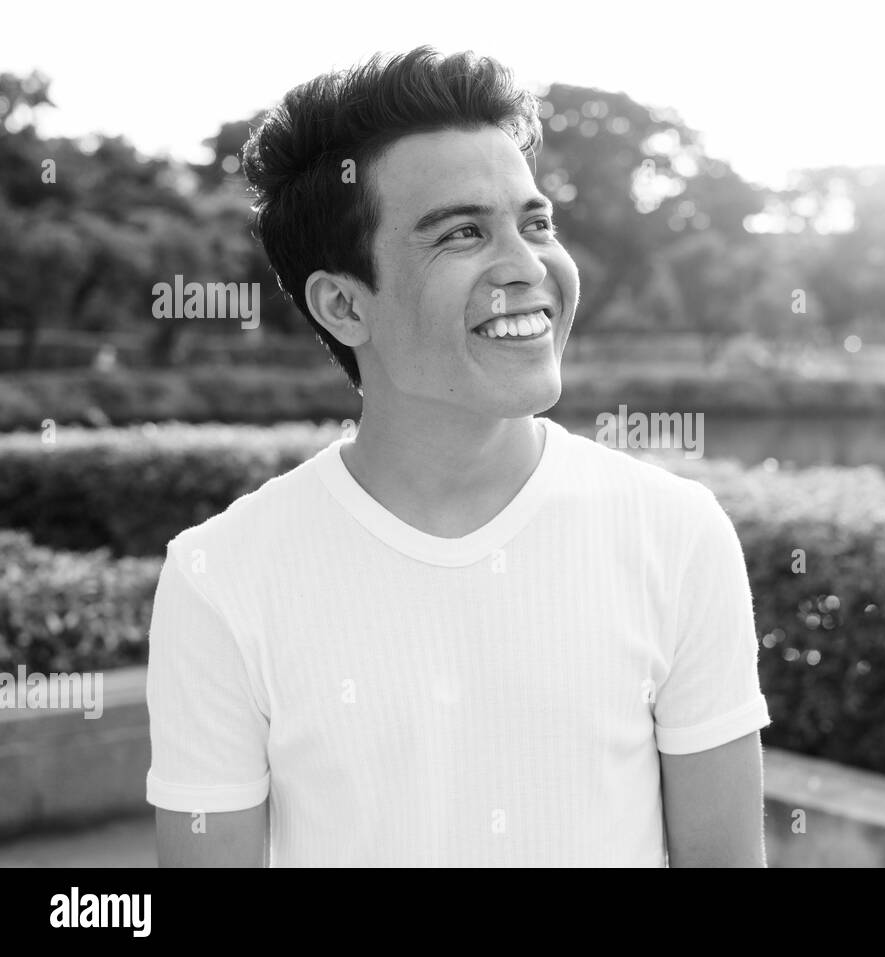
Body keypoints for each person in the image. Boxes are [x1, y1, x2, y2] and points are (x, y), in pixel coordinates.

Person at [144, 46, 771, 867]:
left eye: (536, 222)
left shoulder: (678, 532)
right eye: (463, 233)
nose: (528, 267)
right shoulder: (218, 577)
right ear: (342, 303)